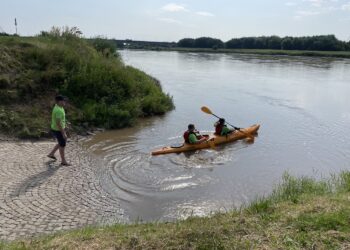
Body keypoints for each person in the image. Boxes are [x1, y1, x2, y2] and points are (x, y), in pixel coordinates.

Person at [47, 95, 70, 166]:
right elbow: (58, 123)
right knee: (62, 144)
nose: (65, 102)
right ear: (59, 101)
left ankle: (51, 154)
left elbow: (61, 120)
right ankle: (63, 161)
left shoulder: (59, 107)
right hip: (58, 130)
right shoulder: (58, 110)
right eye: (63, 100)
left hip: (56, 129)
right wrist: (63, 133)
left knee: (61, 142)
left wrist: (65, 125)